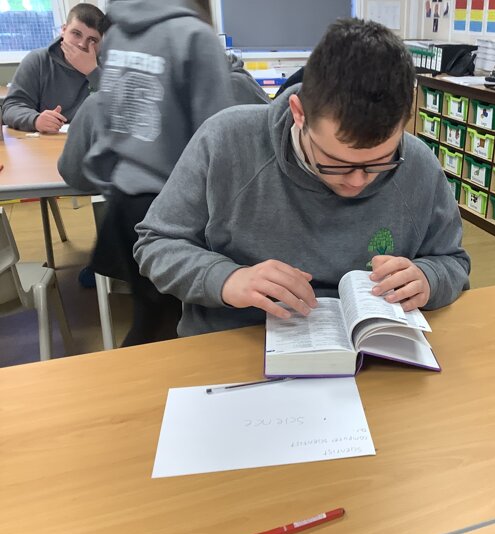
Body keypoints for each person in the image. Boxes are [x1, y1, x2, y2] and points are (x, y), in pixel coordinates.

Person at [134, 18, 470, 338]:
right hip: (237, 340)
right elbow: (156, 243)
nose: (357, 181)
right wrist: (228, 279)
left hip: (375, 347)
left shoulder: (418, 163)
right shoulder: (226, 141)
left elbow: (452, 261)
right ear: (299, 113)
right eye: (337, 163)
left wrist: (428, 278)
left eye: (379, 163)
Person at [82, 0, 235, 347]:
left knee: (150, 321)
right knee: (179, 331)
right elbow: (219, 137)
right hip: (174, 208)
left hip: (124, 198)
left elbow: (103, 117)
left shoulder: (117, 32)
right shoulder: (195, 36)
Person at [1, 3, 109, 133]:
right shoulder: (38, 60)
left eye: (92, 40)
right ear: (63, 30)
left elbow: (123, 111)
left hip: (92, 140)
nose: (82, 44)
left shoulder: (109, 66)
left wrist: (93, 72)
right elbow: (11, 107)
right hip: (47, 140)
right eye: (76, 34)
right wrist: (35, 120)